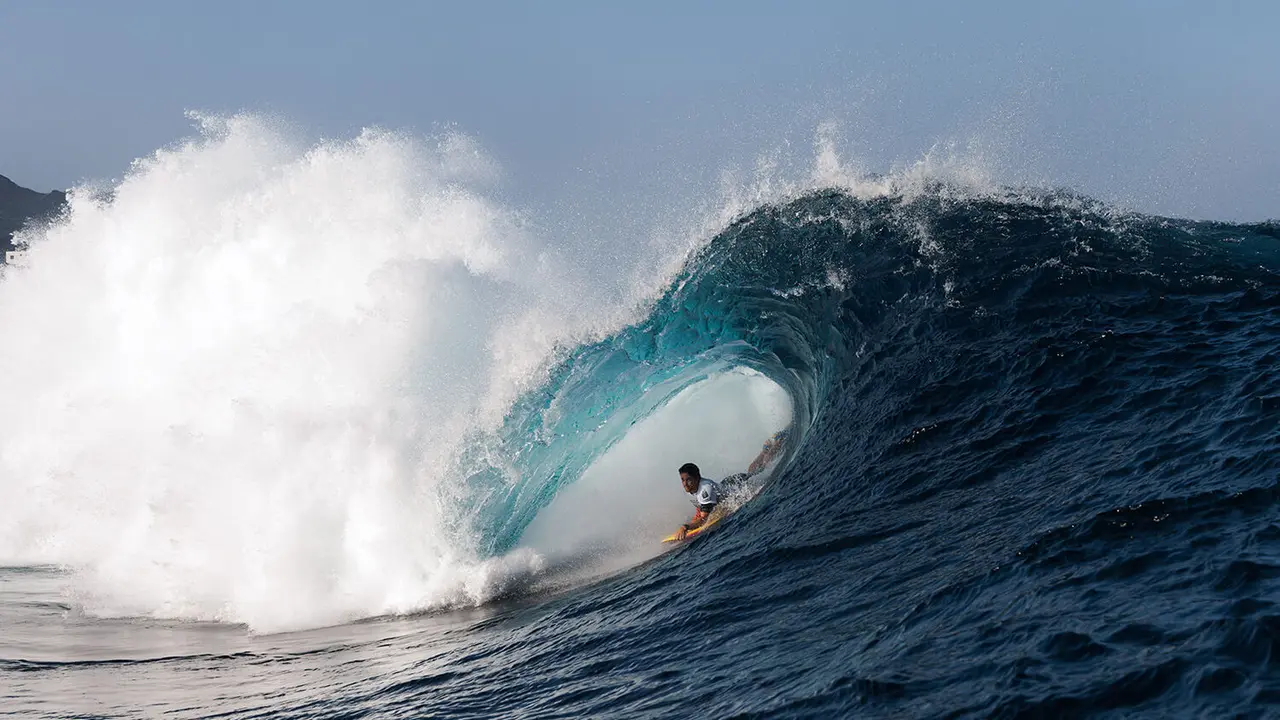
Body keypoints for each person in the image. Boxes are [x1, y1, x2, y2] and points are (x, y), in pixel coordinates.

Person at [674, 462, 721, 541]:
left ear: (697, 478)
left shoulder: (705, 489)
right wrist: (693, 522)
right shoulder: (690, 489)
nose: (685, 484)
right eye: (682, 480)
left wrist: (685, 527)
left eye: (688, 480)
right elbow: (700, 506)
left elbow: (704, 519)